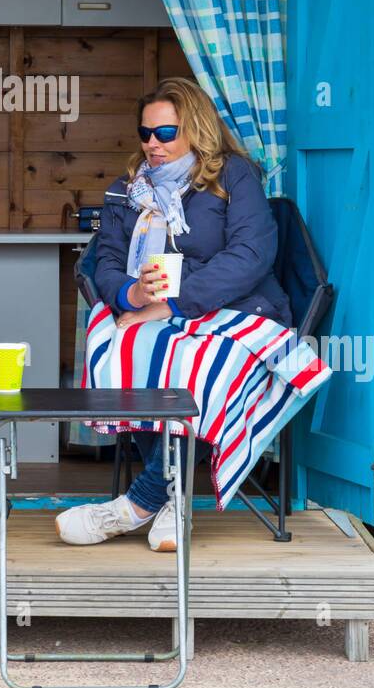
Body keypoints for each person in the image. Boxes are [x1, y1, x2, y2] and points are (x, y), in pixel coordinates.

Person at [56, 77, 292, 552]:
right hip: (157, 311)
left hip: (237, 308)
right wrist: (131, 294)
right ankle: (173, 500)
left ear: (196, 130)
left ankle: (137, 504)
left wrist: (172, 303)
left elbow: (250, 255)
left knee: (190, 362)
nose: (152, 144)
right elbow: (104, 261)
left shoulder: (233, 176)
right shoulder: (127, 191)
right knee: (119, 344)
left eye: (166, 133)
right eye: (146, 133)